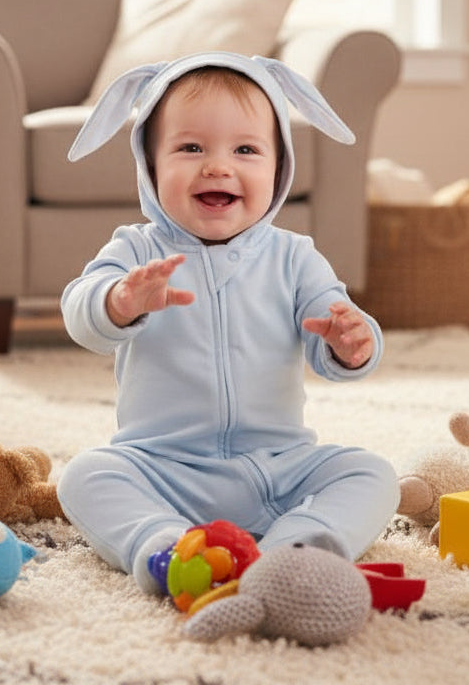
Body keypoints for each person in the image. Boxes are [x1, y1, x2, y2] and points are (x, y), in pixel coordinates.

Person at [58, 51, 399, 593]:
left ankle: (296, 547)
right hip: (162, 467)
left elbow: (334, 325)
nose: (218, 166)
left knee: (373, 474)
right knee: (84, 476)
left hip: (279, 466)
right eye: (191, 148)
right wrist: (120, 300)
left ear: (278, 168)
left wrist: (351, 342)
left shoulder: (294, 256)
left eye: (246, 149)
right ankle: (165, 547)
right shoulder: (136, 248)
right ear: (150, 167)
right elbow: (81, 312)